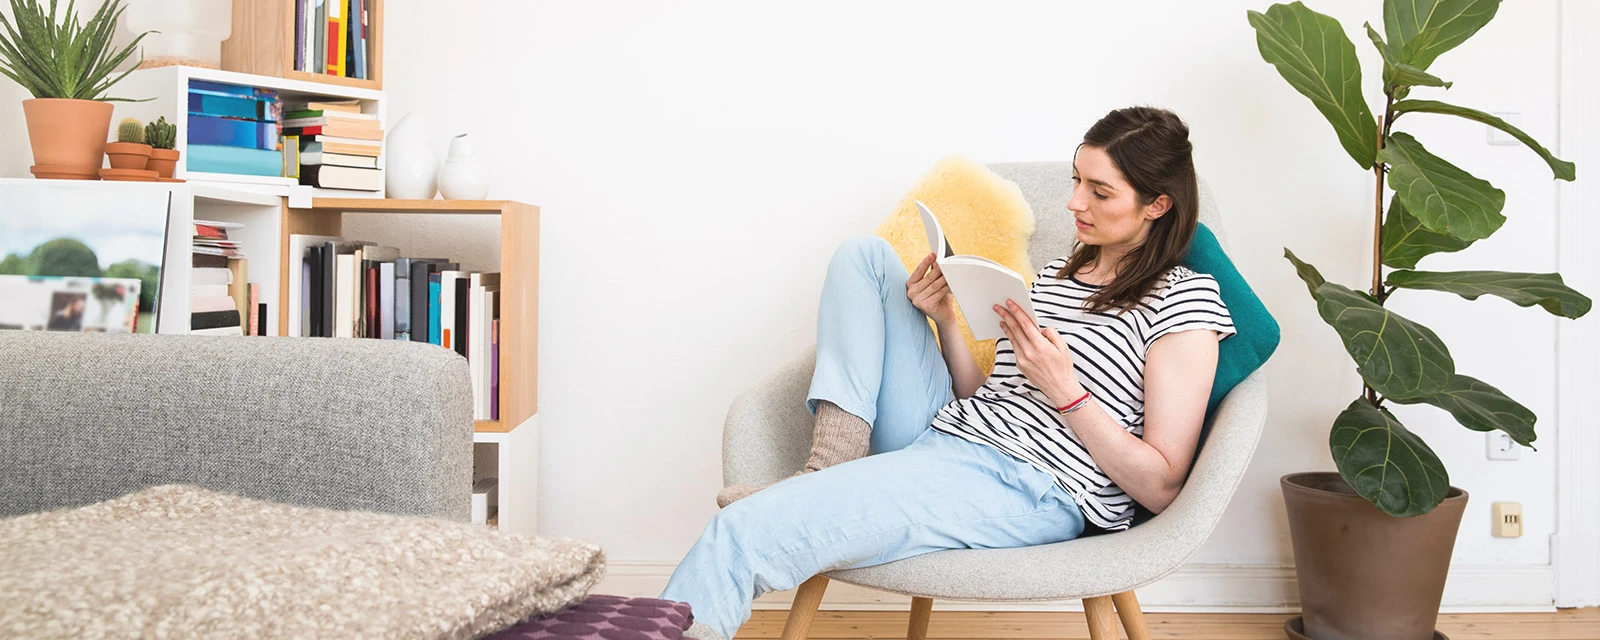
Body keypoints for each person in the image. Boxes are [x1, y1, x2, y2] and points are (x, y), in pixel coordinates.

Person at [662, 106, 1236, 640]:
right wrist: (946, 321)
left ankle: (801, 498)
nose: (1073, 203)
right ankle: (829, 462)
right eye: (1076, 180)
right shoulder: (1059, 273)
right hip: (949, 433)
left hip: (1034, 486)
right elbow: (990, 398)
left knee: (742, 533)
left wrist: (1066, 390)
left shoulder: (1183, 301)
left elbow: (1161, 486)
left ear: (1157, 204)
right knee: (866, 258)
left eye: (1099, 191)